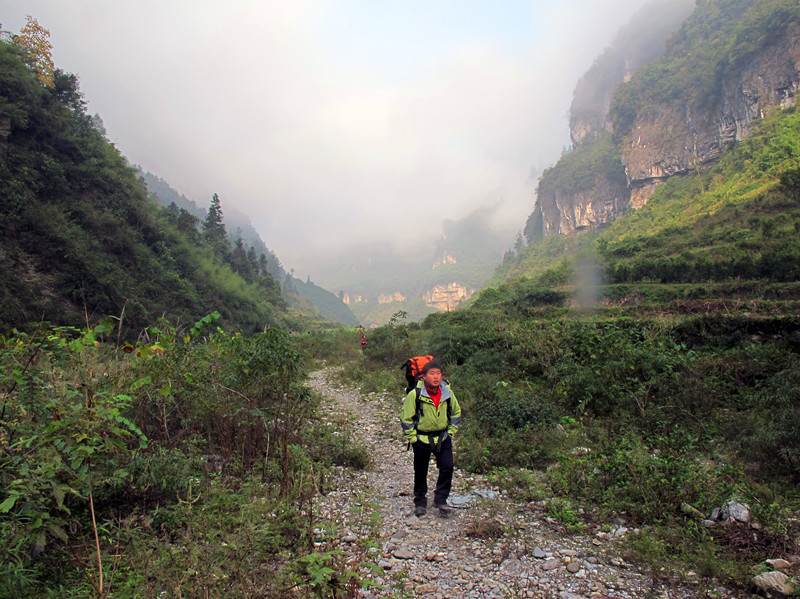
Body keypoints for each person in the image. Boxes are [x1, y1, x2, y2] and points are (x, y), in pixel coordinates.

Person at [400, 360, 462, 516]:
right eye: (432, 374)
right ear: (424, 377)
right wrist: (413, 439)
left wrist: (452, 432)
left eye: (439, 373)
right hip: (421, 439)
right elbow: (406, 418)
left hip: (443, 437)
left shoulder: (447, 392)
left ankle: (441, 500)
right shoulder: (415, 394)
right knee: (420, 470)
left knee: (447, 467)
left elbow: (456, 412)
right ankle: (420, 502)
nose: (436, 377)